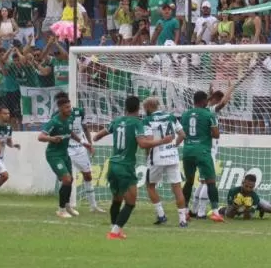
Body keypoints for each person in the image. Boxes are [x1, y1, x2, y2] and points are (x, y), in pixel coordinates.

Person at [92, 95, 169, 240]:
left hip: (113, 165)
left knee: (117, 199)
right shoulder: (136, 123)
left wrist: (94, 140)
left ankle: (115, 228)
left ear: (125, 107)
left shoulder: (117, 121)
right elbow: (142, 144)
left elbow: (98, 136)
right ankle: (114, 232)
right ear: (138, 108)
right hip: (125, 167)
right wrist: (162, 141)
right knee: (131, 203)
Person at [141, 96, 188, 227]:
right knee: (177, 188)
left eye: (145, 108)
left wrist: (147, 156)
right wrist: (173, 146)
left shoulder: (148, 120)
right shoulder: (171, 117)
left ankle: (161, 215)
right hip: (172, 156)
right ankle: (182, 220)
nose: (145, 110)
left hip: (157, 157)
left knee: (150, 186)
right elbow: (183, 135)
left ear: (149, 107)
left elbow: (149, 141)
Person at [37, 95, 87, 218]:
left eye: (69, 106)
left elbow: (70, 132)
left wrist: (83, 142)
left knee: (70, 180)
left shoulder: (70, 119)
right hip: (54, 155)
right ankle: (61, 210)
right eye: (66, 107)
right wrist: (52, 138)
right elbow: (40, 137)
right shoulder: (54, 121)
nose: (70, 109)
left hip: (64, 154)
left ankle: (67, 205)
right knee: (66, 179)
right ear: (60, 108)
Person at [191, 84, 234, 219]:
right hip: (209, 148)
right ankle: (201, 211)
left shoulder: (198, 111)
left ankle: (194, 209)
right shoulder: (211, 111)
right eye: (218, 99)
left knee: (203, 181)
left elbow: (220, 102)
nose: (220, 102)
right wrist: (230, 88)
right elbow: (223, 103)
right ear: (213, 100)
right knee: (209, 181)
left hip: (198, 147)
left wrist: (211, 95)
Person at [53, 91, 100, 213]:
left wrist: (90, 144)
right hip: (65, 148)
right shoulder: (55, 116)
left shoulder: (79, 112)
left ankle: (93, 206)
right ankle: (66, 205)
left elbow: (85, 128)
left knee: (88, 175)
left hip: (80, 148)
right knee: (66, 179)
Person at [181, 90, 224, 222]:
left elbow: (182, 132)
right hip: (203, 151)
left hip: (187, 150)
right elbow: (216, 134)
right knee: (210, 181)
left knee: (188, 182)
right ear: (204, 101)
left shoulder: (185, 114)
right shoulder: (209, 114)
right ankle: (216, 212)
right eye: (207, 100)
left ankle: (185, 211)